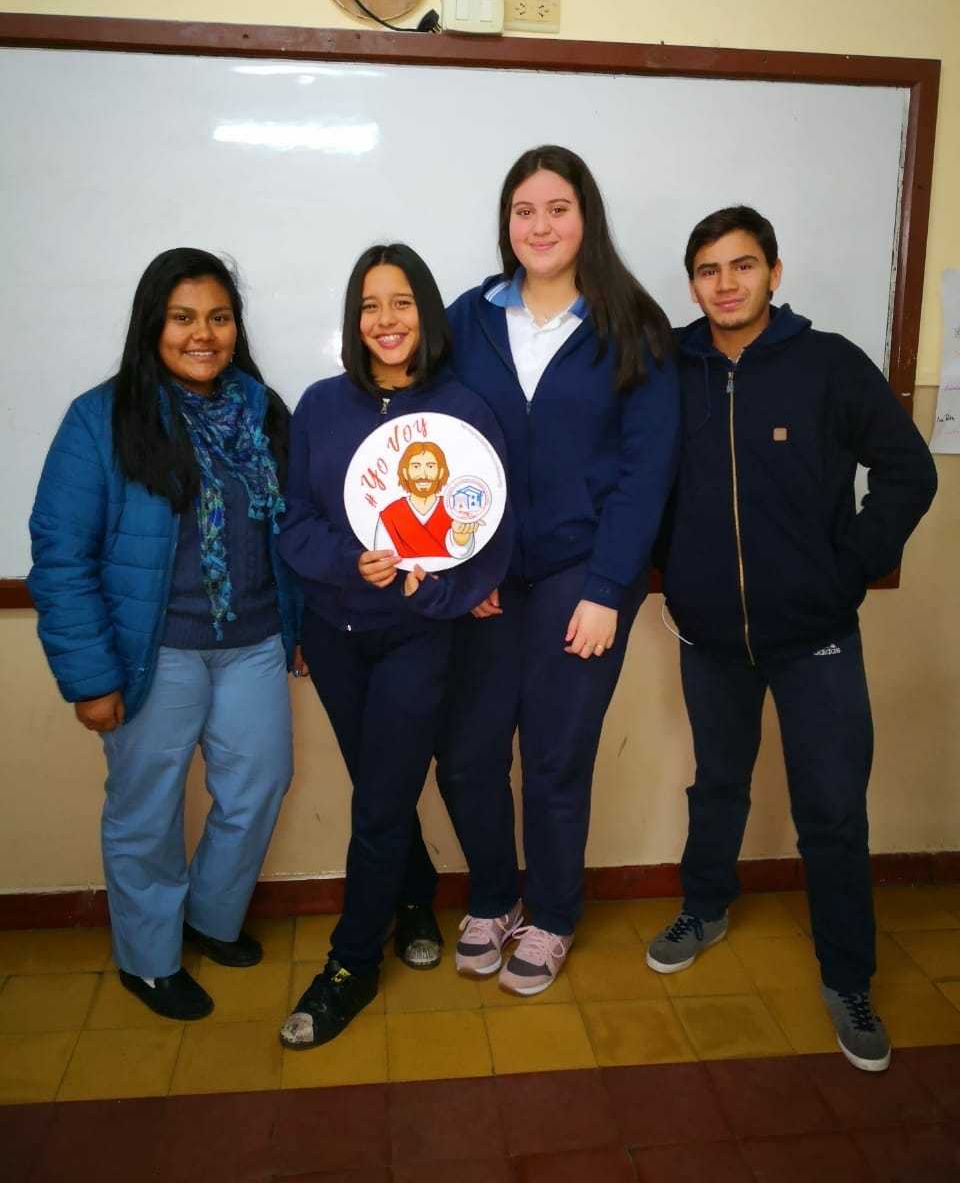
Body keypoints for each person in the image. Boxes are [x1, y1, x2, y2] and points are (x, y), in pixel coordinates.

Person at [647, 205, 938, 1072]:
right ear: (692, 285)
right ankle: (706, 906)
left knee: (833, 811)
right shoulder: (668, 368)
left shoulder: (829, 364)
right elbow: (632, 476)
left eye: (742, 266)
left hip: (816, 636)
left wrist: (849, 567)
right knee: (717, 785)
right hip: (709, 635)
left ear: (775, 273)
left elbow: (908, 469)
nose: (725, 284)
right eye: (708, 270)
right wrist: (672, 569)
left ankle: (848, 978)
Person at [28, 248, 303, 1021]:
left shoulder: (263, 411)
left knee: (258, 787)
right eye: (183, 318)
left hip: (254, 642)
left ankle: (209, 919)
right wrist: (91, 679)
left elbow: (293, 528)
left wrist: (301, 626)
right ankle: (149, 961)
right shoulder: (101, 418)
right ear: (153, 324)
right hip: (154, 654)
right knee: (146, 811)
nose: (202, 335)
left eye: (219, 317)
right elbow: (61, 553)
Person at [438, 146, 680, 995]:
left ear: (587, 219)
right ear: (506, 222)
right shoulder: (467, 318)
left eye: (558, 208)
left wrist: (608, 589)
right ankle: (494, 898)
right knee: (468, 755)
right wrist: (462, 567)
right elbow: (438, 441)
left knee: (555, 757)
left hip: (583, 576)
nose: (539, 226)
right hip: (489, 578)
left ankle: (551, 915)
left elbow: (647, 471)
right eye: (524, 210)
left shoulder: (633, 325)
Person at [277, 243, 512, 1048]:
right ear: (354, 319)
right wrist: (351, 561)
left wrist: (433, 591)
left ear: (427, 313)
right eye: (370, 305)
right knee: (381, 787)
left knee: (378, 801)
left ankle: (350, 965)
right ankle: (414, 898)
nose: (386, 319)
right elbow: (293, 522)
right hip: (335, 636)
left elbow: (490, 538)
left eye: (402, 302)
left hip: (417, 637)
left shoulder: (465, 411)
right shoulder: (319, 405)